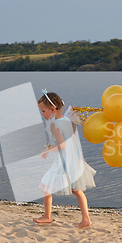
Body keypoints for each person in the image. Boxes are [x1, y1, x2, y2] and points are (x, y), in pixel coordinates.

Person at [33, 90, 96, 228]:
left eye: (43, 111)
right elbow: (72, 133)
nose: (42, 115)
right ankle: (86, 219)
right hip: (74, 160)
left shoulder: (54, 125)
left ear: (52, 109)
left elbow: (62, 145)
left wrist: (47, 150)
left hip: (64, 162)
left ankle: (47, 216)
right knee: (77, 190)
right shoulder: (67, 120)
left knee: (45, 185)